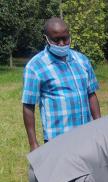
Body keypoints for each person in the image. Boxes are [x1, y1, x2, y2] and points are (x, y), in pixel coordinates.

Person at [22, 18, 100, 152]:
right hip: (57, 141)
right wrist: (33, 143)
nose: (62, 43)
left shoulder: (82, 60)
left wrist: (100, 125)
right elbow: (28, 106)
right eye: (56, 40)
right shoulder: (35, 67)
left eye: (65, 38)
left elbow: (91, 94)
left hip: (86, 136)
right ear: (46, 38)